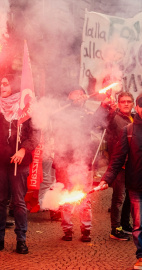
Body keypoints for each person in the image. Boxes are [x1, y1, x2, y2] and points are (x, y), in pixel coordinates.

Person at [0, 75, 39, 254]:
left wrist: (23, 150)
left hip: (19, 163)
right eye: (1, 84)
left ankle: (21, 240)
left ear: (14, 85)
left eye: (5, 84)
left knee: (19, 202)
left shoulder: (25, 107)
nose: (2, 87)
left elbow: (35, 133)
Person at [98, 93, 142, 270]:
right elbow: (117, 159)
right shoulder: (129, 131)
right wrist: (106, 179)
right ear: (138, 108)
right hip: (137, 186)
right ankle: (141, 257)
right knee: (139, 224)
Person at [52, 89, 98, 242]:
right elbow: (53, 117)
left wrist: (105, 106)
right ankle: (67, 230)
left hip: (83, 162)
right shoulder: (62, 111)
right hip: (64, 162)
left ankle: (86, 229)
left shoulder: (87, 114)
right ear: (69, 96)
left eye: (81, 94)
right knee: (66, 197)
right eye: (74, 93)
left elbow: (102, 122)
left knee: (84, 197)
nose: (78, 96)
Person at [97, 92, 134, 240]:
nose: (126, 104)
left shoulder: (135, 118)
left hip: (133, 164)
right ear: (118, 104)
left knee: (129, 198)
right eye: (123, 101)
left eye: (129, 101)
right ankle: (115, 228)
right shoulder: (114, 118)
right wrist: (104, 105)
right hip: (119, 164)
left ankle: (125, 224)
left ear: (133, 104)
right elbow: (100, 119)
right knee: (118, 198)